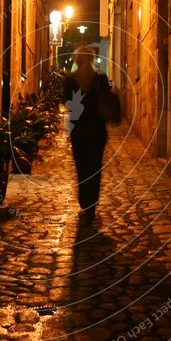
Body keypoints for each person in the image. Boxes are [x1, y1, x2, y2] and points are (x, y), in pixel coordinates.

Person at [63, 43, 116, 224]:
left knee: (82, 167)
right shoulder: (100, 79)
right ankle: (91, 206)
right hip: (97, 131)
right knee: (95, 168)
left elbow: (67, 103)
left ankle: (85, 201)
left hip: (79, 131)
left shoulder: (70, 80)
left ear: (77, 60)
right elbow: (107, 99)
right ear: (92, 59)